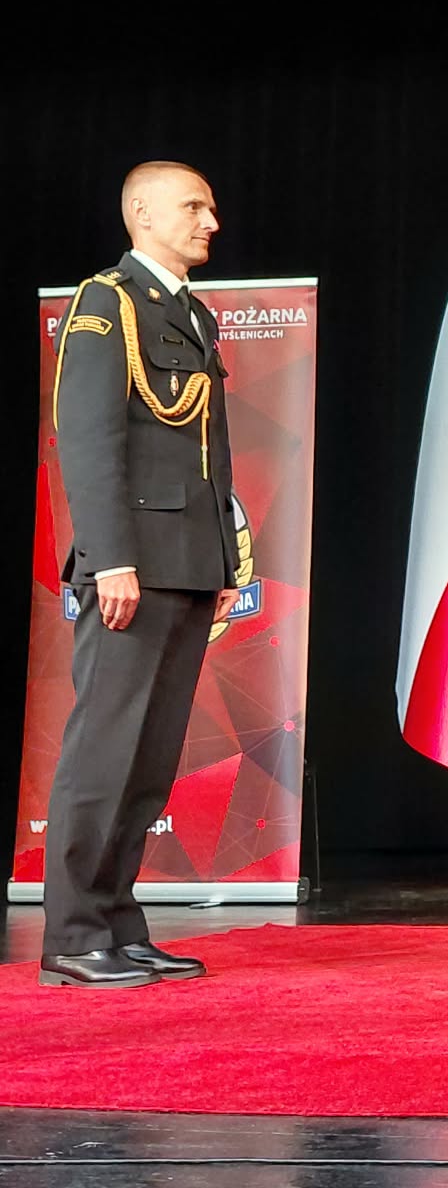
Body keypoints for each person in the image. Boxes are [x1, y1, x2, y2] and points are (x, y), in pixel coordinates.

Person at [41, 162, 240, 989]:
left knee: (150, 761)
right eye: (194, 206)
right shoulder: (107, 303)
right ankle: (73, 935)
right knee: (106, 752)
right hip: (133, 564)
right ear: (143, 213)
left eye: (211, 208)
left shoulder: (189, 312)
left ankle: (119, 927)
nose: (210, 221)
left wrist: (223, 559)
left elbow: (207, 453)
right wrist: (110, 557)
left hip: (187, 562)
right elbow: (87, 440)